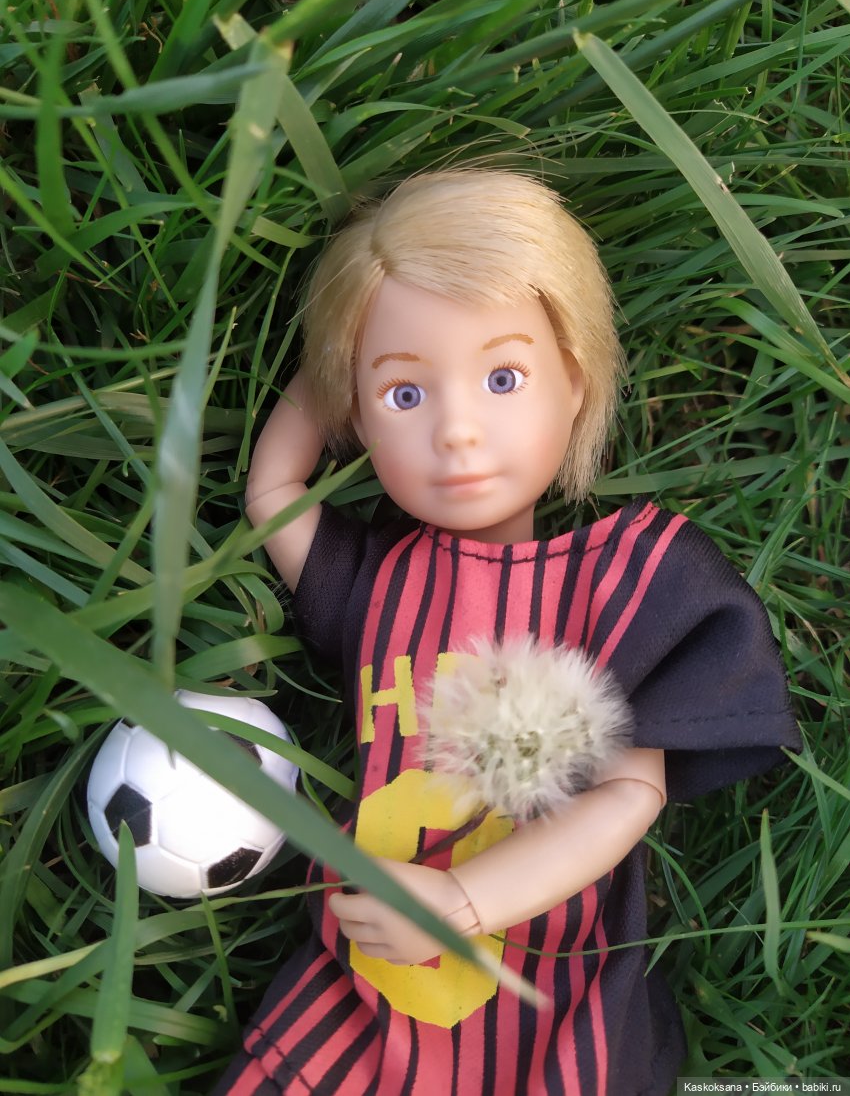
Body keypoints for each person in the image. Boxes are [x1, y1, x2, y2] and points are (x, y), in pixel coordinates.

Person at [214, 169, 799, 1095]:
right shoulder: (375, 584)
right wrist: (335, 372)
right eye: (407, 395)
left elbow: (627, 795)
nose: (457, 430)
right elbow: (273, 494)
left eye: (502, 378)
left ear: (575, 381)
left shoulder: (622, 589)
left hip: (547, 986)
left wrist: (465, 900)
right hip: (368, 990)